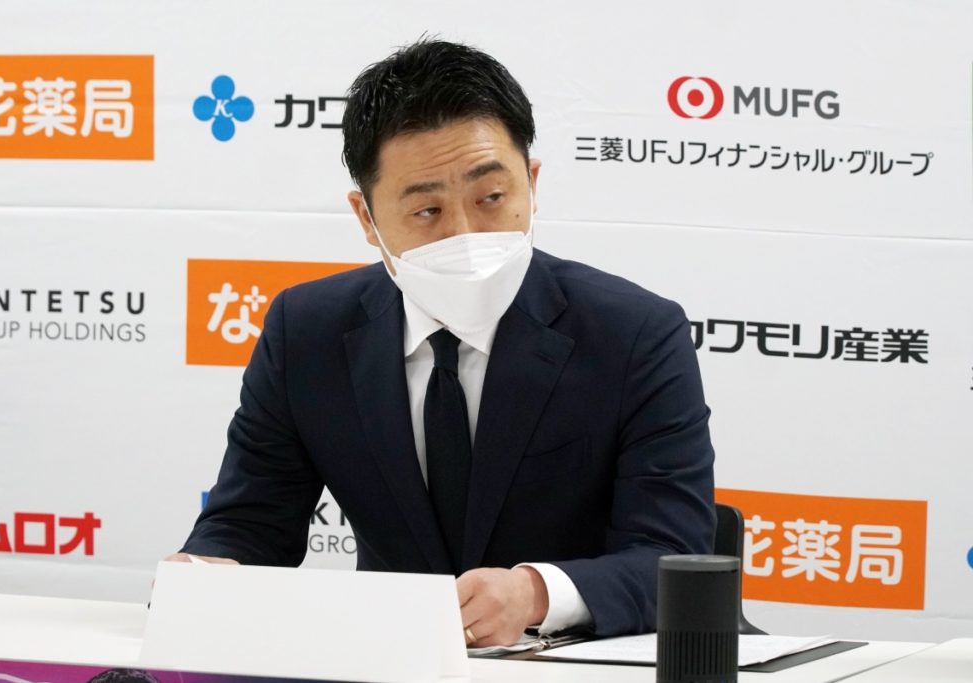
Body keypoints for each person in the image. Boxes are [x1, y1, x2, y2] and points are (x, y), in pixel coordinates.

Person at [169, 38, 715, 647]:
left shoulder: (635, 334)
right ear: (366, 219)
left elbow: (674, 559)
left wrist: (535, 593)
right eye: (427, 211)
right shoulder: (306, 330)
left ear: (532, 183)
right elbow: (250, 525)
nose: (465, 234)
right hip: (388, 659)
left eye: (491, 198)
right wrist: (204, 573)